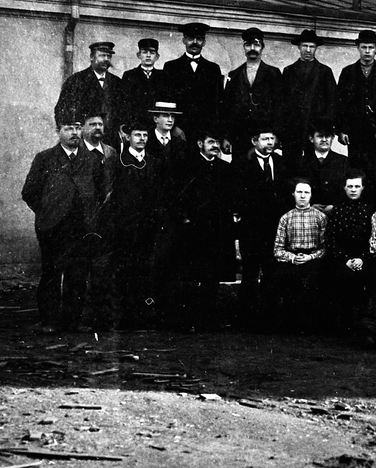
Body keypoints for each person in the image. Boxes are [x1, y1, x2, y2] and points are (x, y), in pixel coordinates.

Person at [22, 109, 104, 333]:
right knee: (51, 273)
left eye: (77, 128)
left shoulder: (91, 159)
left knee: (78, 274)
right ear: (58, 131)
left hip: (82, 227)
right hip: (53, 226)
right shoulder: (45, 158)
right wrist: (47, 212)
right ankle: (49, 321)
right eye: (68, 129)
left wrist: (91, 215)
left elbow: (100, 191)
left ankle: (72, 321)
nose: (74, 133)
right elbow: (29, 192)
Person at [166, 125, 236, 330]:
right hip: (194, 232)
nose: (215, 146)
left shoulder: (224, 168)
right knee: (193, 275)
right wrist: (185, 220)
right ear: (200, 144)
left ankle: (209, 318)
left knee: (213, 275)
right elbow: (176, 197)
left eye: (217, 142)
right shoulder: (187, 167)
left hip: (217, 231)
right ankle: (190, 319)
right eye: (211, 142)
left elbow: (230, 198)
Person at [106, 115, 164, 329]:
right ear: (128, 137)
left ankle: (144, 315)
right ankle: (125, 317)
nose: (141, 139)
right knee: (124, 272)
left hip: (147, 228)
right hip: (125, 228)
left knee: (145, 271)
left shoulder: (154, 163)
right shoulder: (118, 162)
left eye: (145, 135)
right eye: (137, 135)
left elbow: (159, 196)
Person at [232, 123, 289, 323]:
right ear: (254, 141)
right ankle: (245, 316)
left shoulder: (280, 162)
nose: (270, 142)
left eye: (272, 139)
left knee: (271, 270)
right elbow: (238, 195)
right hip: (252, 227)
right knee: (250, 271)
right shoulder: (242, 164)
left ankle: (267, 316)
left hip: (274, 226)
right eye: (265, 139)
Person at [270, 177, 327, 331]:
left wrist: (310, 257)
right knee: (282, 279)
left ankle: (310, 325)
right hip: (292, 258)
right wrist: (293, 258)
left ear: (311, 195)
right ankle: (289, 324)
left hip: (313, 258)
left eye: (306, 192)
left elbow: (325, 247)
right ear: (293, 193)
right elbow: (277, 249)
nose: (302, 196)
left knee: (312, 281)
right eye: (299, 192)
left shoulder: (320, 217)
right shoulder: (285, 218)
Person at [337, 30, 376, 162]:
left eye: (370, 47)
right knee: (355, 163)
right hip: (354, 129)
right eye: (364, 47)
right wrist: (342, 130)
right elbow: (340, 103)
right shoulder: (348, 72)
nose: (367, 51)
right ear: (358, 48)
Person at [223, 27, 284, 158]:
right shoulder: (234, 75)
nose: (252, 48)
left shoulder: (273, 73)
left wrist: (276, 135)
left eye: (256, 45)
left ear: (262, 47)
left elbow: (279, 106)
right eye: (248, 45)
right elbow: (228, 108)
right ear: (244, 47)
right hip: (240, 135)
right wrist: (227, 136)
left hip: (265, 135)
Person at [323, 170, 374, 327]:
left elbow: (373, 239)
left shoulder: (370, 210)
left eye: (357, 186)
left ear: (363, 187)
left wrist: (361, 258)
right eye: (350, 186)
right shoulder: (337, 210)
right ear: (344, 188)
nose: (353, 190)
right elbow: (330, 239)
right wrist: (345, 259)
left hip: (363, 257)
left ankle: (360, 323)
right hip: (341, 258)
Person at [278, 29, 338, 157]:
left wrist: (326, 127)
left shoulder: (324, 72)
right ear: (299, 47)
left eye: (312, 46)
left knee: (314, 162)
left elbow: (332, 102)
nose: (308, 50)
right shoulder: (289, 71)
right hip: (292, 129)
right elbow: (282, 102)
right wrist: (282, 131)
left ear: (316, 48)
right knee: (291, 161)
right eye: (305, 46)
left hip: (316, 128)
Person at [161, 22, 223, 139]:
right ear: (184, 41)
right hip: (180, 131)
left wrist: (215, 131)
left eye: (199, 39)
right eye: (190, 39)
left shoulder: (213, 69)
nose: (195, 42)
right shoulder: (171, 67)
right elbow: (167, 100)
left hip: (206, 132)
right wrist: (173, 127)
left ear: (204, 42)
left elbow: (217, 103)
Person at [56, 41, 124, 147]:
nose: (106, 59)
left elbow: (123, 111)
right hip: (84, 140)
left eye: (109, 56)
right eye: (102, 56)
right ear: (92, 57)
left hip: (111, 140)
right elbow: (62, 111)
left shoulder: (117, 82)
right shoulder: (76, 81)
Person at [292, 117, 349, 211]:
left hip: (335, 212)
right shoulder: (302, 162)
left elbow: (347, 189)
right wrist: (310, 205)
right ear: (311, 139)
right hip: (307, 211)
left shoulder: (343, 161)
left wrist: (335, 207)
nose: (324, 140)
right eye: (320, 136)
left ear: (332, 138)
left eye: (327, 136)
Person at [120, 37, 170, 131]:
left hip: (157, 125)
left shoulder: (163, 76)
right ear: (138, 55)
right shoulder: (129, 75)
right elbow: (124, 102)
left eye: (152, 53)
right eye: (144, 52)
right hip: (135, 124)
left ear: (157, 56)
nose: (148, 55)